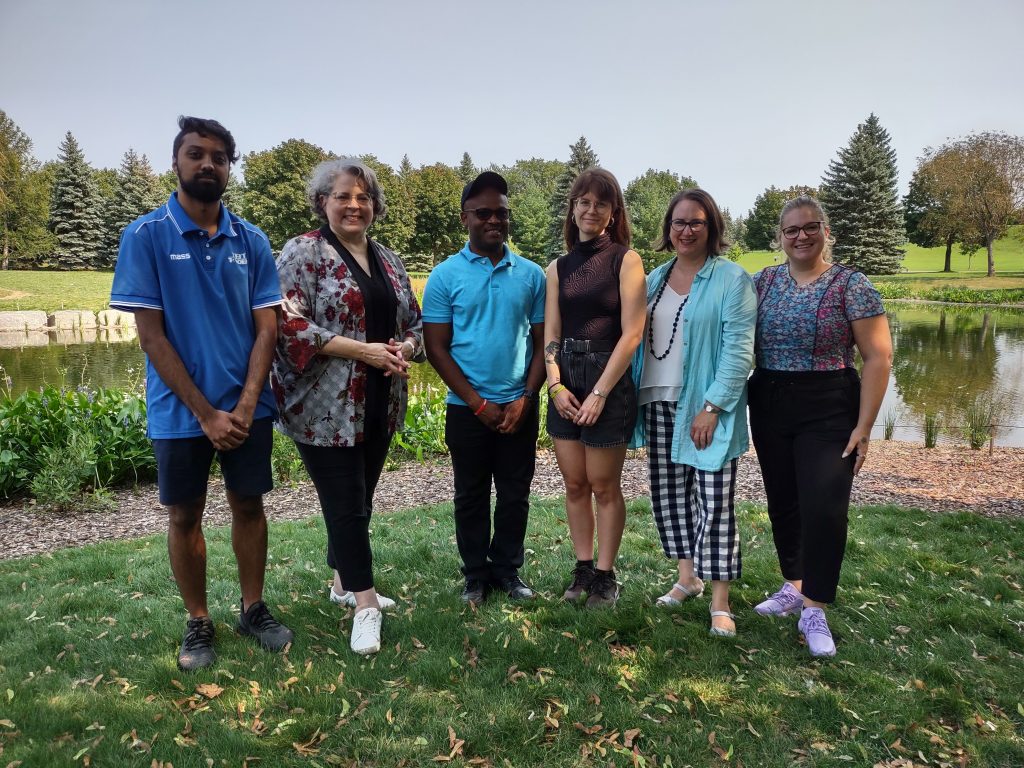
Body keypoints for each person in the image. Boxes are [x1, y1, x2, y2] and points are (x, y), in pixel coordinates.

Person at [110, 116, 292, 671]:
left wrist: (241, 406)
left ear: (229, 168)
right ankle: (197, 621)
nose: (207, 164)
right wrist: (207, 412)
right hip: (181, 411)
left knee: (248, 505)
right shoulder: (146, 236)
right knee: (185, 515)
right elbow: (151, 335)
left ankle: (252, 608)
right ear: (176, 163)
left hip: (247, 408)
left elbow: (268, 328)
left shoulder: (252, 240)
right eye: (195, 154)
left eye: (217, 156)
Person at [272, 158, 424, 655]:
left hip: (379, 404)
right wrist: (363, 350)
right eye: (343, 196)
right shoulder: (303, 252)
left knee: (359, 502)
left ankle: (341, 583)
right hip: (323, 407)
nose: (354, 205)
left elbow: (415, 325)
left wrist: (403, 347)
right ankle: (365, 605)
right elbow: (288, 324)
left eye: (363, 197)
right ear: (323, 203)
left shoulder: (390, 259)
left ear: (374, 205)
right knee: (346, 506)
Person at [749, 195, 893, 657]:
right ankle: (793, 584)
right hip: (770, 398)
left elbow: (878, 357)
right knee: (785, 501)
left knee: (824, 506)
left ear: (825, 231)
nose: (801, 236)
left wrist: (864, 426)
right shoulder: (764, 282)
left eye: (810, 227)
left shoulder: (852, 284)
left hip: (830, 401)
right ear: (780, 238)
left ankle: (815, 606)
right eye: (791, 230)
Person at [630, 189, 756, 637]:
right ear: (668, 229)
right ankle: (688, 579)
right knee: (671, 496)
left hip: (706, 408)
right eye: (679, 222)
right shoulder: (655, 280)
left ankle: (721, 602)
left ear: (712, 228)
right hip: (658, 402)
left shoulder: (732, 280)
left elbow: (740, 350)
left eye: (696, 223)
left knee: (714, 501)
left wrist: (713, 406)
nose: (686, 230)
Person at [422, 171, 546, 605]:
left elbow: (542, 345)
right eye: (483, 213)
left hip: (520, 406)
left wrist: (526, 398)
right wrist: (477, 404)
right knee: (470, 495)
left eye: (502, 212)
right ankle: (475, 575)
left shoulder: (531, 276)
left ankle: (508, 572)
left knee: (515, 494)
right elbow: (436, 348)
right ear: (465, 219)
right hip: (465, 408)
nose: (494, 219)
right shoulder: (443, 276)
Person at [544, 168, 646, 608]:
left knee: (604, 485)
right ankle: (582, 569)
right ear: (573, 209)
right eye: (582, 202)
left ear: (612, 212)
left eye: (600, 204)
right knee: (574, 484)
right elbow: (550, 333)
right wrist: (555, 386)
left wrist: (600, 392)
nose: (590, 210)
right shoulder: (557, 268)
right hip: (566, 375)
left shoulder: (627, 260)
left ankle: (606, 575)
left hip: (608, 376)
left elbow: (632, 334)